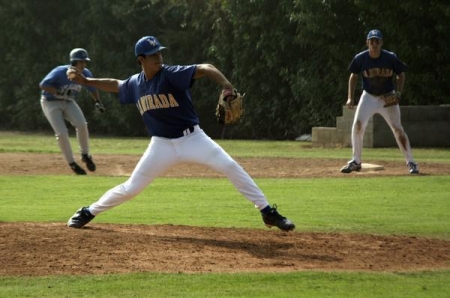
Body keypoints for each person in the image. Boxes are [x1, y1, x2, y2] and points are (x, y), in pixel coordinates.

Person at [66, 36, 295, 231]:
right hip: (161, 146)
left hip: (193, 139)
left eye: (159, 53)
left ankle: (267, 211)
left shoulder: (171, 74)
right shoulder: (136, 84)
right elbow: (116, 84)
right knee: (132, 187)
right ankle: (88, 212)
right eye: (152, 54)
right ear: (141, 60)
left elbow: (206, 68)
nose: (158, 57)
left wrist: (227, 86)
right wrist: (86, 81)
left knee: (231, 167)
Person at [341, 29, 419, 174]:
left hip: (387, 96)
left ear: (381, 42)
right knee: (358, 125)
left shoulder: (390, 58)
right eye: (372, 41)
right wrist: (350, 97)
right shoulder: (361, 58)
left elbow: (401, 75)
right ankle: (356, 161)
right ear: (367, 43)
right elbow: (353, 76)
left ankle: (411, 162)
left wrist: (399, 93)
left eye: (377, 41)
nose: (375, 44)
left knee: (397, 129)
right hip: (369, 96)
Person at [39, 48, 104, 175]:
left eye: (85, 62)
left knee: (82, 124)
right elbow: (43, 85)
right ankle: (72, 163)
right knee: (62, 133)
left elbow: (92, 88)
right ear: (74, 62)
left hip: (68, 101)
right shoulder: (60, 72)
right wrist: (57, 91)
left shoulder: (85, 73)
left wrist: (98, 101)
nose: (84, 65)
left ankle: (85, 155)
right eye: (81, 62)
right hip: (50, 102)